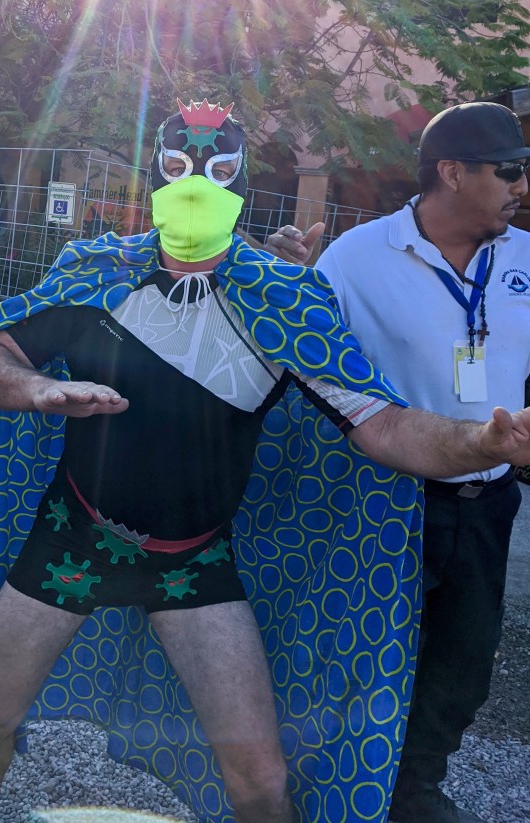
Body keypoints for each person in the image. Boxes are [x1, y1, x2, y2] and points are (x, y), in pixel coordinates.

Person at [0, 99, 530, 823]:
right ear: (154, 175)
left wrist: (483, 444)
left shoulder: (283, 300)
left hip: (192, 559)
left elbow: (383, 425)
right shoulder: (97, 271)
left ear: (242, 183)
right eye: (176, 166)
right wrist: (36, 387)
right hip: (73, 535)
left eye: (217, 171)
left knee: (259, 781)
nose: (194, 185)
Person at [264, 101, 530, 823]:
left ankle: (414, 792)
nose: (522, 185)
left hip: (488, 502)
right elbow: (301, 354)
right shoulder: (358, 257)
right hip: (384, 499)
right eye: (510, 170)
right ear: (453, 172)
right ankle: (331, 792)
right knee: (360, 658)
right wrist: (287, 279)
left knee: (463, 665)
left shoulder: (524, 259)